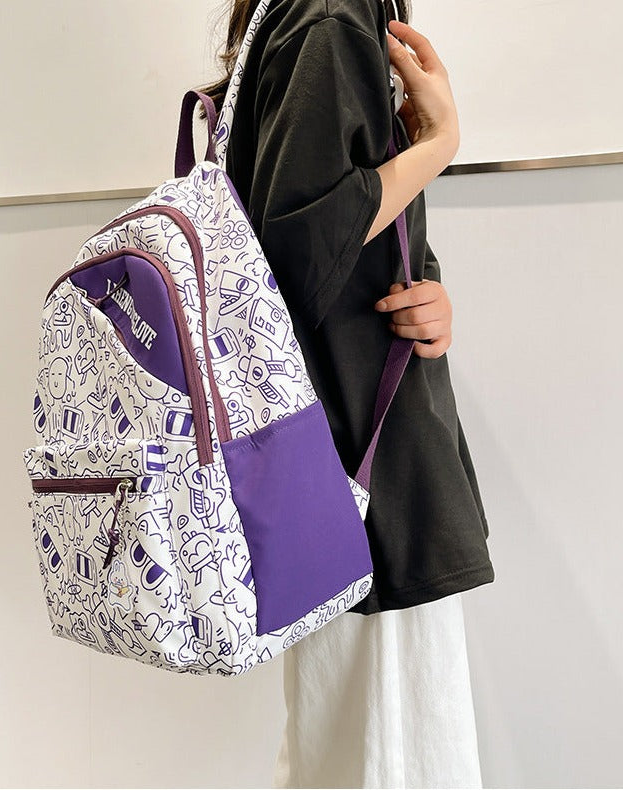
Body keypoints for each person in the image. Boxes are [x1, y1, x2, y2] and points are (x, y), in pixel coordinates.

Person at [200, 0, 496, 786]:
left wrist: (423, 285)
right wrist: (440, 144)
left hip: (331, 468)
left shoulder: (312, 13)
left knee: (342, 749)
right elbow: (297, 251)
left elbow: (328, 237)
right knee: (394, 756)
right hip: (367, 473)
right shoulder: (330, 15)